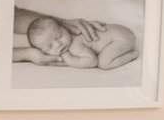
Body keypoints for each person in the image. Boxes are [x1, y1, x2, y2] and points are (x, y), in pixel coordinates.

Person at [12, 6, 140, 72]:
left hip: (119, 38)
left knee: (104, 63)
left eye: (59, 36)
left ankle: (132, 55)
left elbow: (91, 61)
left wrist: (69, 59)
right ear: (43, 51)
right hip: (121, 32)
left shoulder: (74, 45)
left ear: (64, 29)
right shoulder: (69, 40)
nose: (58, 44)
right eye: (50, 47)